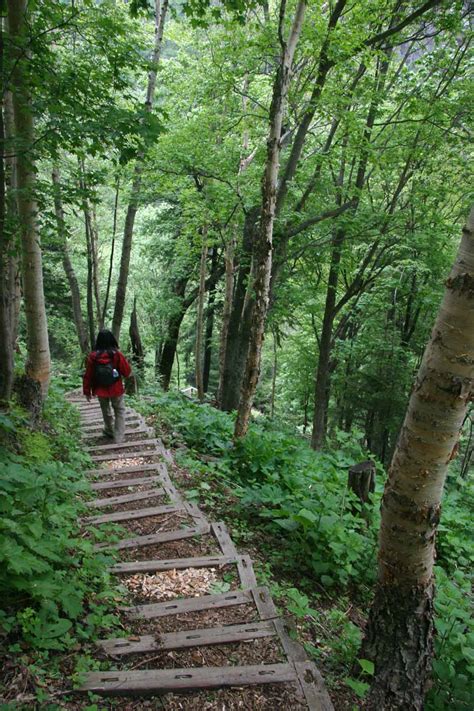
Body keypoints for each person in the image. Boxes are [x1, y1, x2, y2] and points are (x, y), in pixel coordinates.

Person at [83, 330, 132, 443]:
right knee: (119, 410)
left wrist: (87, 391)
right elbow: (127, 372)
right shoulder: (117, 355)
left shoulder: (93, 356)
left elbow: (88, 375)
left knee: (106, 410)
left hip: (100, 389)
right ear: (112, 339)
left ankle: (109, 430)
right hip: (116, 388)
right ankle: (119, 437)